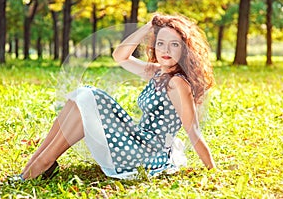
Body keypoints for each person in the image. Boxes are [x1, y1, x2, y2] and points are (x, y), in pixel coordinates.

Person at [12, 13, 216, 181]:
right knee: (82, 96)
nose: (165, 50)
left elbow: (193, 130)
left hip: (148, 153)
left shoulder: (177, 83)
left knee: (88, 97)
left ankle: (43, 164)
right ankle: (37, 162)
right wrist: (148, 26)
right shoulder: (157, 72)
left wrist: (212, 171)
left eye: (174, 44)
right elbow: (120, 56)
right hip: (138, 139)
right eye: (161, 43)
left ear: (184, 49)